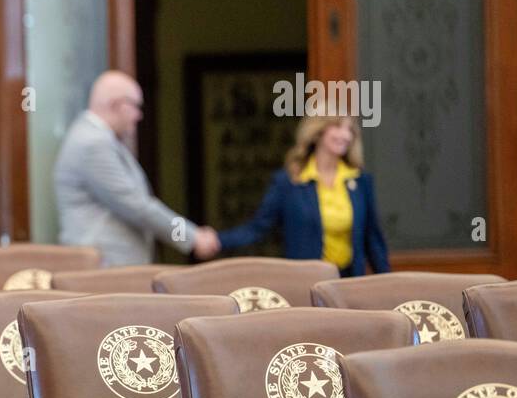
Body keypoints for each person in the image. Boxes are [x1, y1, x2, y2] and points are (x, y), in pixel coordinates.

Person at [55, 70, 219, 266]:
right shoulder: (93, 143)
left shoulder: (97, 138)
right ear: (115, 104)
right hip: (105, 271)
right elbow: (136, 206)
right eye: (135, 106)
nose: (139, 115)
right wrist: (192, 236)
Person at [218, 113, 390, 276]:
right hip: (306, 286)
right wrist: (218, 240)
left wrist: (391, 289)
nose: (345, 135)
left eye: (350, 129)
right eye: (337, 126)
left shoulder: (360, 181)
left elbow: (373, 240)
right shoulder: (289, 182)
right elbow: (257, 228)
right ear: (317, 132)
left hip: (349, 285)